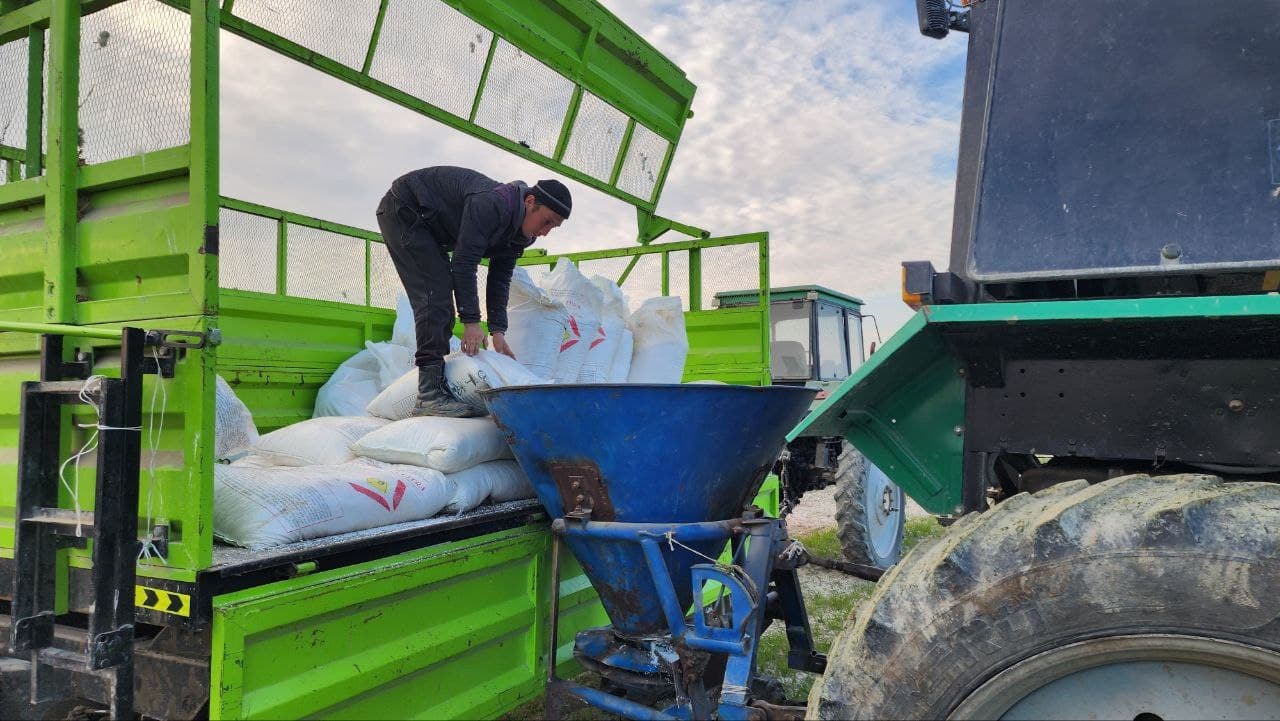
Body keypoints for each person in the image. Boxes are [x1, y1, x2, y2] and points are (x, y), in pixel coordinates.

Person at [376, 166, 571, 417]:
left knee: (440, 296)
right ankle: (428, 396)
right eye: (546, 221)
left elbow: (500, 278)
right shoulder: (492, 205)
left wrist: (498, 330)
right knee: (434, 296)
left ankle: (433, 391)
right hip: (405, 209)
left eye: (553, 228)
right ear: (530, 201)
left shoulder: (522, 235)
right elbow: (464, 263)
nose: (545, 232)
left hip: (434, 228)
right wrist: (471, 322)